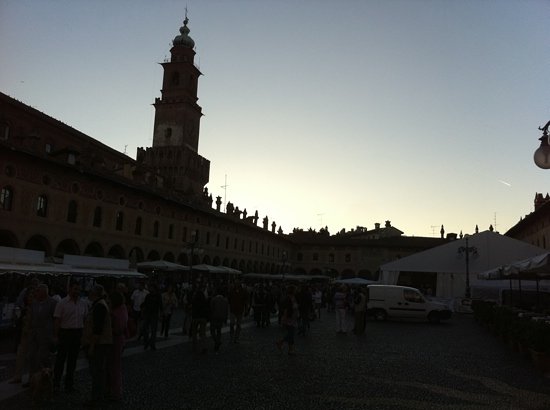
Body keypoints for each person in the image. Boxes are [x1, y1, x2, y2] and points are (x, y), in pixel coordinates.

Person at [53, 280, 88, 393]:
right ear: (70, 289)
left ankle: (69, 384)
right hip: (65, 333)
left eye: (78, 289)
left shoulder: (83, 303)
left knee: (72, 361)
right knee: (60, 360)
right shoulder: (62, 303)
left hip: (77, 333)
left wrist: (84, 335)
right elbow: (57, 320)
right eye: (75, 289)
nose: (77, 291)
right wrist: (56, 335)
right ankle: (56, 384)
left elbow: (85, 319)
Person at [82, 284, 113, 406]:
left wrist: (92, 345)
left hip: (99, 344)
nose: (89, 293)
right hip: (100, 343)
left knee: (97, 371)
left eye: (90, 291)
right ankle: (99, 395)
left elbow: (97, 329)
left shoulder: (99, 306)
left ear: (95, 293)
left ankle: (96, 398)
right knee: (98, 371)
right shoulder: (100, 304)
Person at [28, 284, 57, 375]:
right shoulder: (34, 302)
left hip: (46, 335)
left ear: (43, 293)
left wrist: (54, 335)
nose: (35, 293)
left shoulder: (53, 303)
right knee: (32, 356)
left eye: (37, 291)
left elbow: (55, 319)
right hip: (34, 334)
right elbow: (32, 316)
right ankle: (32, 378)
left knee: (42, 357)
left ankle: (43, 377)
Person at [8, 287, 34, 384]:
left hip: (32, 336)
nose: (30, 298)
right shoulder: (24, 309)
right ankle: (17, 376)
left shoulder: (37, 309)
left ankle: (32, 378)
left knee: (32, 358)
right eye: (29, 296)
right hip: (23, 336)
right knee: (20, 357)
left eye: (32, 296)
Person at [107, 290, 128, 402]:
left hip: (115, 341)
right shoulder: (123, 308)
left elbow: (118, 329)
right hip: (121, 340)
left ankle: (115, 391)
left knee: (114, 367)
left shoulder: (116, 312)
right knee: (115, 366)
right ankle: (114, 390)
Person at [276, 285, 299, 355]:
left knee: (291, 334)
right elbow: (286, 310)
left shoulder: (293, 298)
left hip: (293, 318)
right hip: (289, 319)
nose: (296, 291)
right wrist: (284, 319)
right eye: (295, 289)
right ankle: (280, 342)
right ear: (292, 291)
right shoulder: (288, 299)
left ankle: (290, 350)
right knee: (291, 334)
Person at [141, 283, 163, 350]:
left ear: (154, 288)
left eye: (151, 287)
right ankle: (147, 342)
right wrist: (142, 307)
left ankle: (152, 344)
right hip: (147, 314)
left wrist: (161, 314)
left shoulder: (158, 296)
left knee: (153, 331)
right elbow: (145, 303)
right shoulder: (148, 295)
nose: (150, 289)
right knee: (144, 329)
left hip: (154, 315)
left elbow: (160, 305)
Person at [191, 282, 209, 353]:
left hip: (195, 317)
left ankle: (194, 346)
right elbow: (206, 307)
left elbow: (192, 306)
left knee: (194, 333)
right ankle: (203, 347)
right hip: (202, 317)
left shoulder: (194, 298)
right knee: (203, 333)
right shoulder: (204, 299)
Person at [209, 287, 228, 352]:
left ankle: (217, 341)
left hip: (214, 317)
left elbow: (211, 309)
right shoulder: (225, 300)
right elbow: (226, 310)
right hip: (221, 317)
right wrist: (225, 318)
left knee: (212, 331)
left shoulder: (213, 299)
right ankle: (217, 342)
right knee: (219, 331)